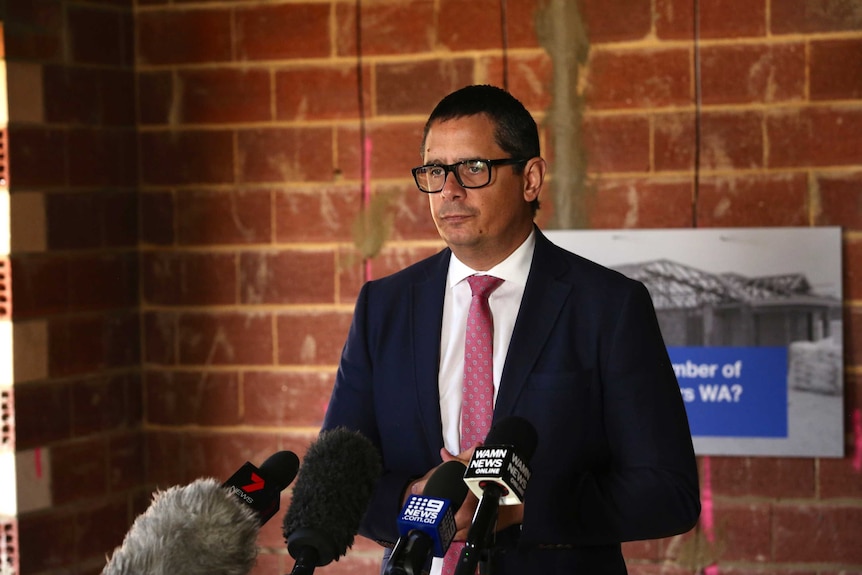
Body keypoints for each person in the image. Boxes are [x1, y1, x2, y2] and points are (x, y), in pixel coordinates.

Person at [321, 84, 701, 574]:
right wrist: (417, 497)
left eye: (474, 169)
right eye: (436, 171)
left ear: (531, 178)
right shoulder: (385, 306)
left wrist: (513, 510)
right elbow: (337, 482)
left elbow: (668, 491)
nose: (450, 190)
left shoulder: (608, 305)